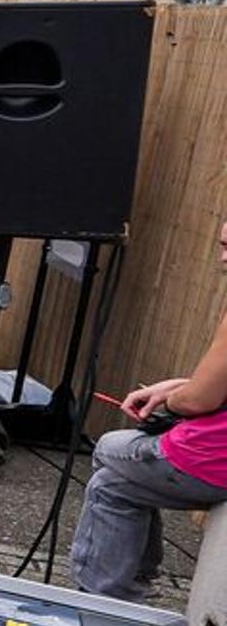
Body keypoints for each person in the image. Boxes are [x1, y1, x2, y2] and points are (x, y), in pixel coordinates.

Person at [72, 211, 227, 599]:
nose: (224, 258)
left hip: (212, 459)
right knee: (115, 482)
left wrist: (170, 404)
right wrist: (171, 389)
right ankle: (130, 583)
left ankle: (109, 598)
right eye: (223, 246)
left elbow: (201, 399)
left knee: (109, 456)